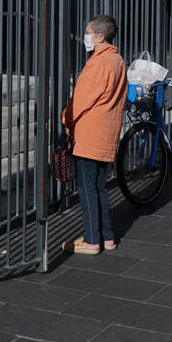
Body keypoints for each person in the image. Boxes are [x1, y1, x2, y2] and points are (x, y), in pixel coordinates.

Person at [61, 15, 128, 255]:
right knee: (100, 186)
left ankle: (91, 240)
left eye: (89, 33)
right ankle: (107, 237)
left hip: (90, 133)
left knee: (87, 188)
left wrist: (66, 119)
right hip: (107, 133)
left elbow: (81, 99)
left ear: (100, 36)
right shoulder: (117, 60)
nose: (86, 37)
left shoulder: (98, 63)